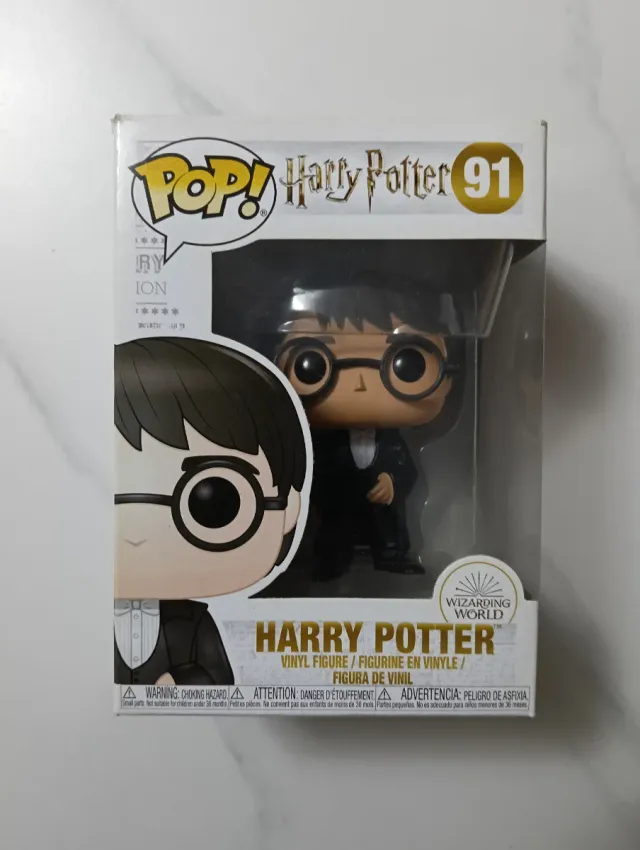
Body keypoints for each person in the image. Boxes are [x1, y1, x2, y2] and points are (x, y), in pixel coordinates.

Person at [114, 336, 308, 685]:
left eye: (213, 501)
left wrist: (184, 683)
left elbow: (219, 679)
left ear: (288, 509)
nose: (136, 533)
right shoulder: (74, 616)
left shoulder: (194, 622)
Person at [276, 274, 464, 580]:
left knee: (389, 526)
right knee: (333, 532)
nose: (361, 383)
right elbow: (314, 472)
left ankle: (391, 555)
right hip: (338, 503)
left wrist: (392, 480)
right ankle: (330, 560)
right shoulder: (326, 444)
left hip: (382, 502)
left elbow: (406, 467)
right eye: (312, 365)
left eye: (407, 364)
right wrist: (327, 489)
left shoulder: (391, 443)